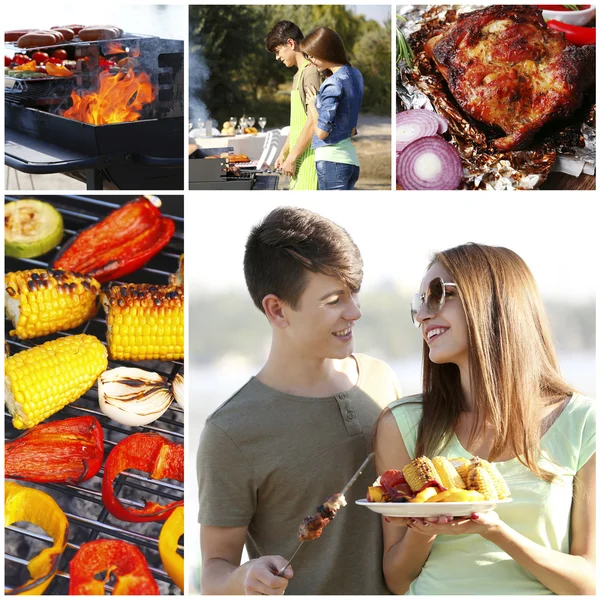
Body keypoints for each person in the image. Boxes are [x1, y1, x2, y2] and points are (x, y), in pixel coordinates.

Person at [198, 207, 401, 595]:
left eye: (354, 292)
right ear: (277, 310)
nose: (355, 311)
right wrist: (244, 576)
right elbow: (214, 573)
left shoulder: (383, 379)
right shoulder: (230, 432)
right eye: (334, 299)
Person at [375, 243, 595, 595]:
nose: (422, 315)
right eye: (418, 303)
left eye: (436, 294)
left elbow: (588, 583)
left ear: (492, 299)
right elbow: (398, 581)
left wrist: (494, 531)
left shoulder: (582, 420)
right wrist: (424, 526)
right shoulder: (402, 424)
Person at [300, 28, 364, 190]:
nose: (310, 60)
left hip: (331, 161)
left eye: (312, 55)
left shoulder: (332, 83)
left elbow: (322, 133)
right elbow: (352, 130)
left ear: (325, 51)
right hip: (350, 161)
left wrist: (314, 106)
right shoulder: (356, 75)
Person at [265, 21, 321, 190]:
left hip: (310, 157)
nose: (277, 57)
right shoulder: (299, 74)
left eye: (277, 51)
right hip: (299, 157)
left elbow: (314, 122)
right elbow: (298, 123)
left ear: (290, 43)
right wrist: (285, 152)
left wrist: (292, 157)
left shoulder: (310, 72)